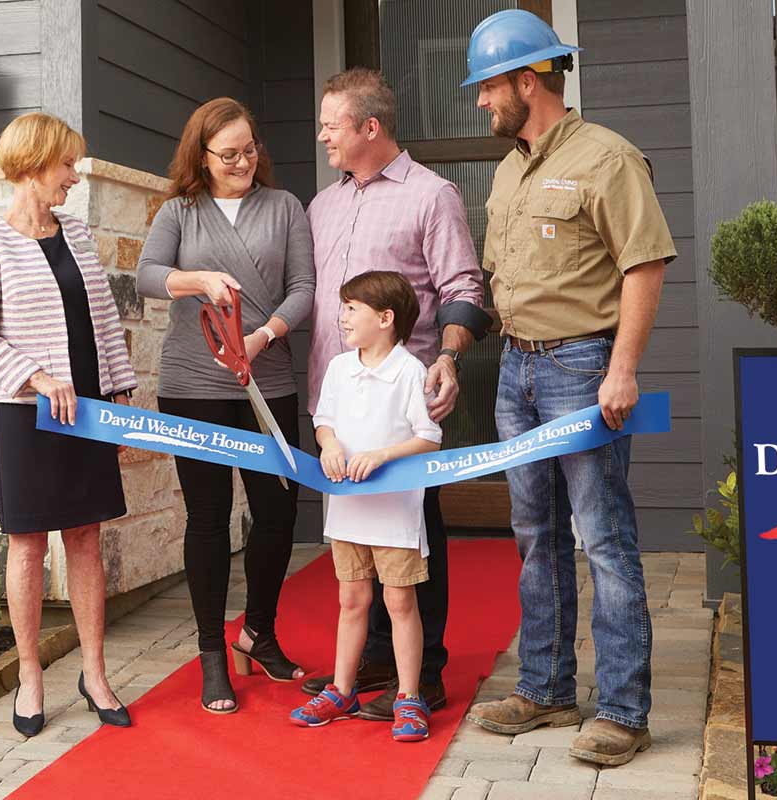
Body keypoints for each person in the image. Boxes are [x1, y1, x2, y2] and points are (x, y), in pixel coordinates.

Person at [454, 10, 676, 766]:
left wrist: (622, 368)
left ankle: (623, 710)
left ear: (528, 80)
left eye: (489, 88)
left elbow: (644, 262)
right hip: (515, 367)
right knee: (534, 536)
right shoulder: (510, 168)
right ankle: (547, 689)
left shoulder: (608, 159)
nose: (482, 103)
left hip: (583, 368)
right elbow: (501, 279)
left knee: (603, 538)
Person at [300, 67, 491, 724]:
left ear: (369, 127)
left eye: (332, 124)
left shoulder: (431, 195)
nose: (322, 134)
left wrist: (449, 357)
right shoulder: (321, 205)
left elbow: (464, 287)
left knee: (411, 536)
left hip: (399, 406)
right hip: (338, 405)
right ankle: (375, 657)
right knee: (356, 535)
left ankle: (425, 675)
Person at [0, 112, 139, 737]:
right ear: (34, 164)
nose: (73, 176)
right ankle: (30, 674)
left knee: (86, 537)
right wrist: (37, 377)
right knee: (29, 544)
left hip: (87, 410)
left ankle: (95, 672)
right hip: (28, 416)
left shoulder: (78, 232)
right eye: (66, 165)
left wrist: (119, 395)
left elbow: (105, 322)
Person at [136, 97, 316, 714]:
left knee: (277, 513)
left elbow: (304, 289)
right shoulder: (180, 211)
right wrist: (201, 280)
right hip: (193, 384)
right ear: (203, 156)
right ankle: (212, 654)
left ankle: (258, 631)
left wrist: (264, 336)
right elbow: (146, 274)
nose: (243, 161)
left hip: (268, 381)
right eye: (228, 154)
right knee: (209, 518)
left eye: (250, 149)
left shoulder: (285, 207)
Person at [289, 270, 443, 739]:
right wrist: (329, 445)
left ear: (386, 318)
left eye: (352, 308)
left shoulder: (410, 371)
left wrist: (382, 455)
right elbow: (324, 420)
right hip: (349, 510)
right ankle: (341, 688)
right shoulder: (338, 367)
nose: (342, 317)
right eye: (343, 307)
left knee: (399, 602)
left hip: (395, 514)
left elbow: (429, 437)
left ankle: (409, 696)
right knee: (351, 599)